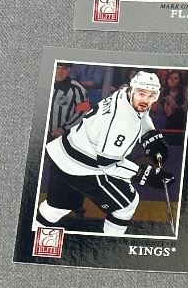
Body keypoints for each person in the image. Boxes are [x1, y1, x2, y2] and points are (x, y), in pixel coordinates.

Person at [35, 69, 167, 236]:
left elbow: (142, 113)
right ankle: (111, 245)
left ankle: (31, 233)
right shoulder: (123, 123)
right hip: (83, 167)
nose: (146, 100)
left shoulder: (124, 92)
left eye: (151, 96)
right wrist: (144, 174)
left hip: (62, 153)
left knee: (57, 208)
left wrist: (151, 135)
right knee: (127, 205)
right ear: (133, 90)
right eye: (142, 94)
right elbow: (107, 164)